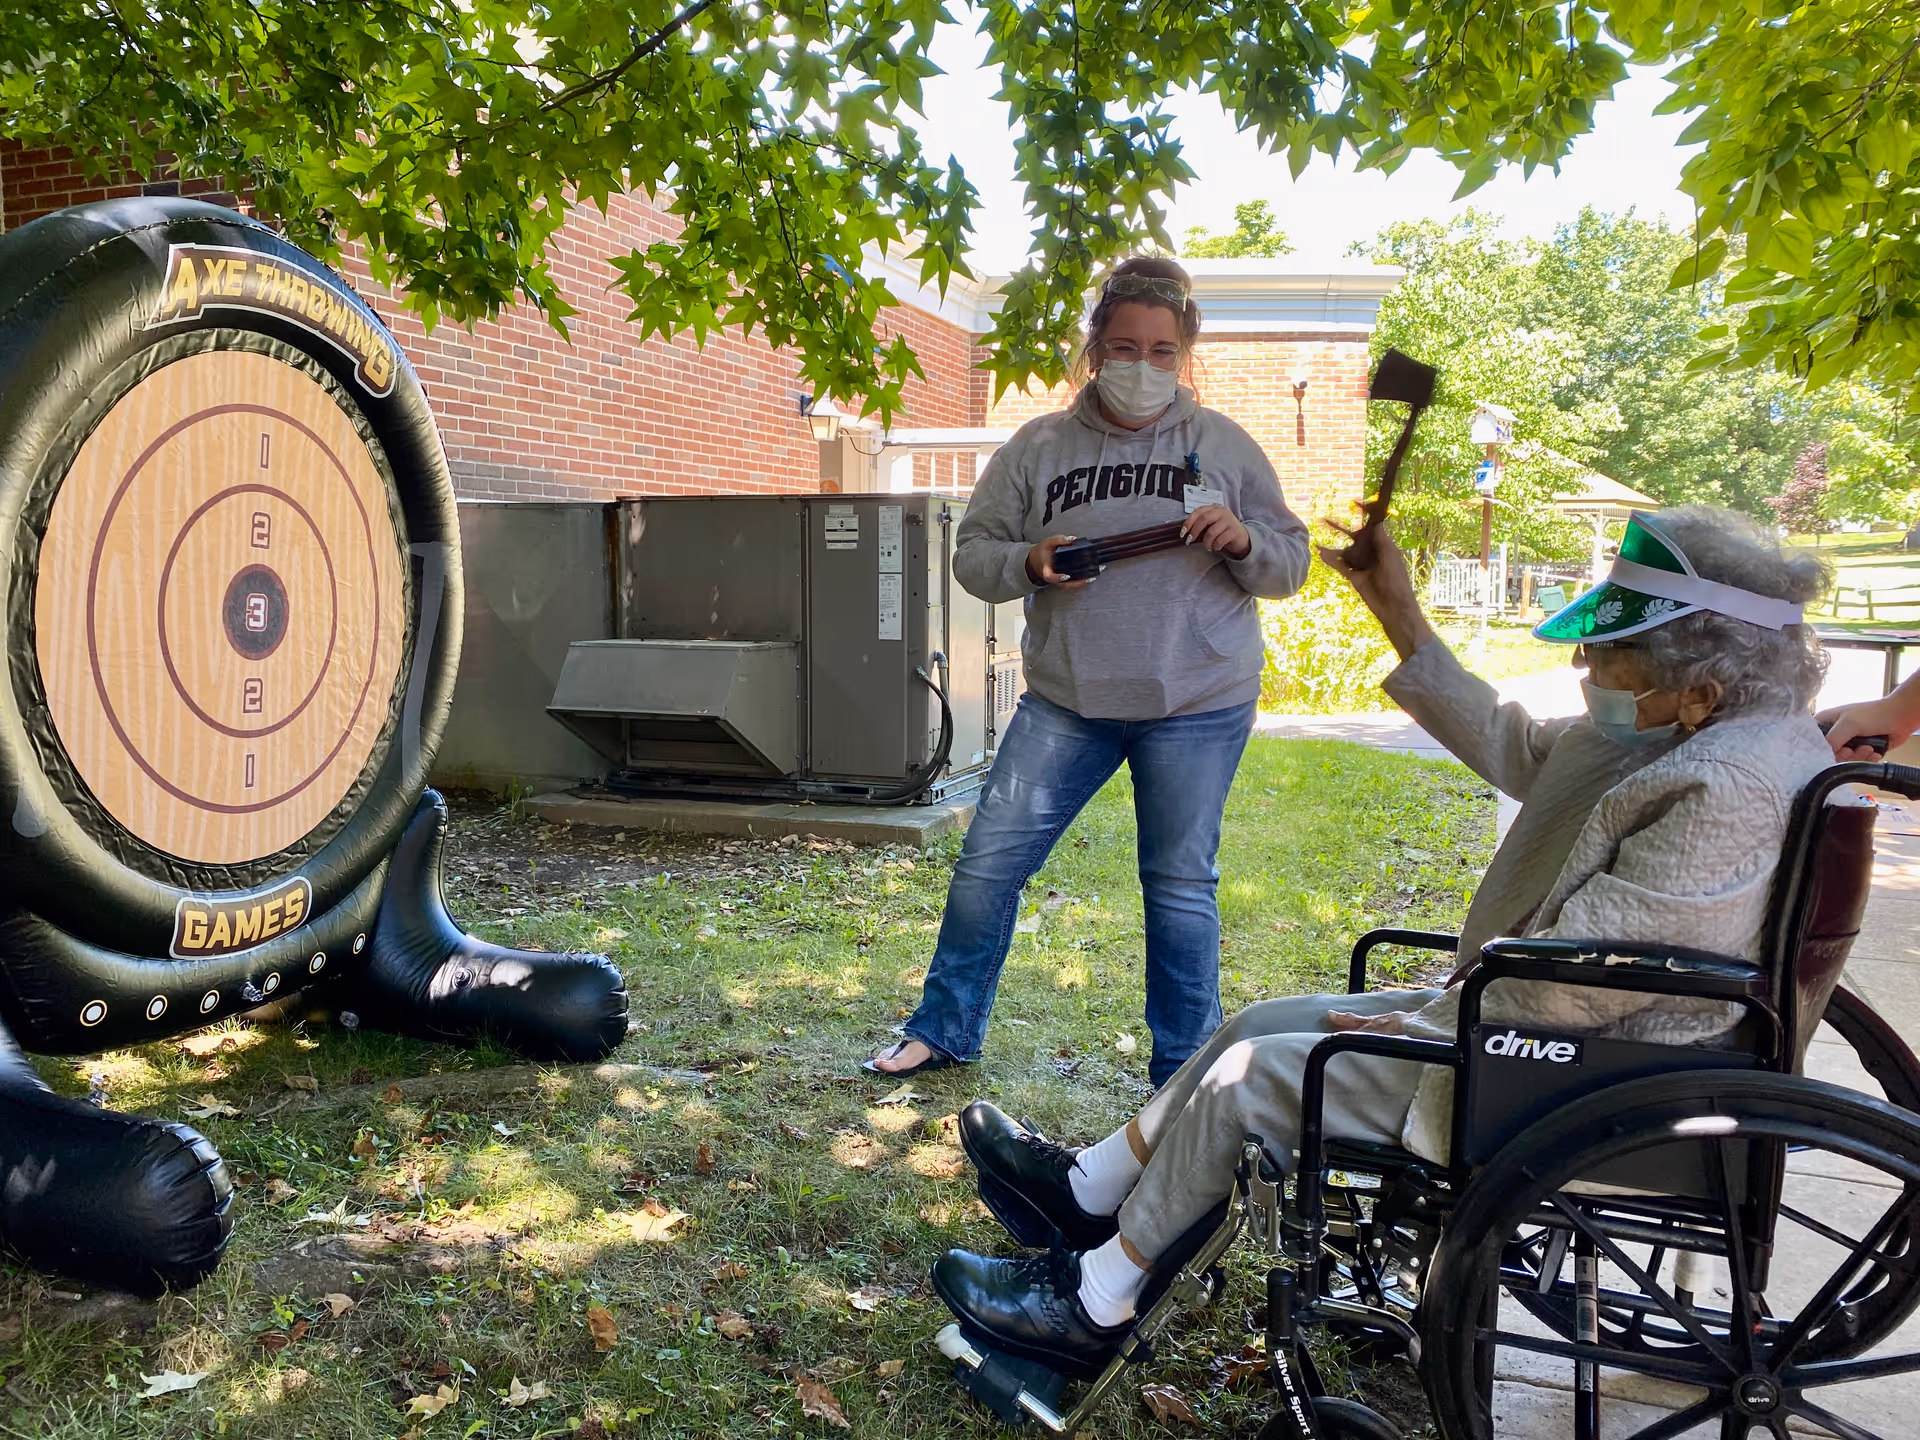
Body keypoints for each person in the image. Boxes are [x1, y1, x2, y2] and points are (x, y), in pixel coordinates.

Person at [930, 506, 1836, 1376]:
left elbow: (1586, 986)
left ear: (1701, 680)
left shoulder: (1726, 785)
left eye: (1611, 651)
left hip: (1570, 1059)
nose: (1586, 664)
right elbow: (1518, 748)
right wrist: (1393, 605)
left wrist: (1438, 1026)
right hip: (1540, 1025)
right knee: (1260, 1024)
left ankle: (1092, 1302)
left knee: (1265, 1077)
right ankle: (1091, 1189)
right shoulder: (1699, 731)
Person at [866, 257, 1310, 1086]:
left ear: (1184, 354)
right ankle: (943, 1026)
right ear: (1094, 348)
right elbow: (974, 554)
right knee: (989, 861)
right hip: (1067, 700)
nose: (1141, 366)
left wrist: (1245, 541)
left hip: (1199, 702)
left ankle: (1184, 1066)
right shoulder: (1036, 447)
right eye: (1123, 345)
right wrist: (1029, 562)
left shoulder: (1226, 447)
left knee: (1179, 882)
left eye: (1162, 351)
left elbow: (1292, 563)